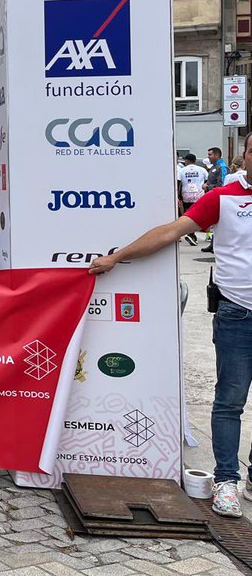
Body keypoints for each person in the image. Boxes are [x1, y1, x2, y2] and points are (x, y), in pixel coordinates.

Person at [89, 131, 252, 518]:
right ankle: (226, 480)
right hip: (238, 315)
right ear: (243, 156)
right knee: (230, 402)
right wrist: (118, 256)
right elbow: (170, 232)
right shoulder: (223, 198)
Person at [179, 153, 209, 246]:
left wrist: (179, 196)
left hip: (186, 195)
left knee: (189, 215)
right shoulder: (202, 170)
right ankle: (194, 233)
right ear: (195, 161)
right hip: (199, 195)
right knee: (199, 214)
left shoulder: (182, 170)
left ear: (187, 161)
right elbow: (207, 181)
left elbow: (179, 183)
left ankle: (191, 233)